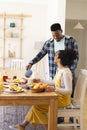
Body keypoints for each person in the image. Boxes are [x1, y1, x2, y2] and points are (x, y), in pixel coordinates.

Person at [11, 49, 77, 130]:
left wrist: (54, 89)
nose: (54, 56)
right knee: (37, 105)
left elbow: (69, 91)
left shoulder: (66, 72)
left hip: (63, 100)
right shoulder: (60, 70)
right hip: (57, 96)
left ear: (59, 59)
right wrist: (40, 80)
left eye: (55, 55)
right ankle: (22, 126)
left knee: (37, 107)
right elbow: (54, 82)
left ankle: (49, 128)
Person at [26, 23, 79, 97]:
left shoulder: (71, 40)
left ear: (61, 31)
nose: (56, 37)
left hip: (66, 73)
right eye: (53, 35)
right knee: (53, 95)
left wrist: (69, 70)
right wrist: (31, 63)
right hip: (54, 73)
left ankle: (67, 107)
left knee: (67, 95)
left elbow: (76, 57)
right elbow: (40, 54)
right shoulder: (49, 43)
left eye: (57, 35)